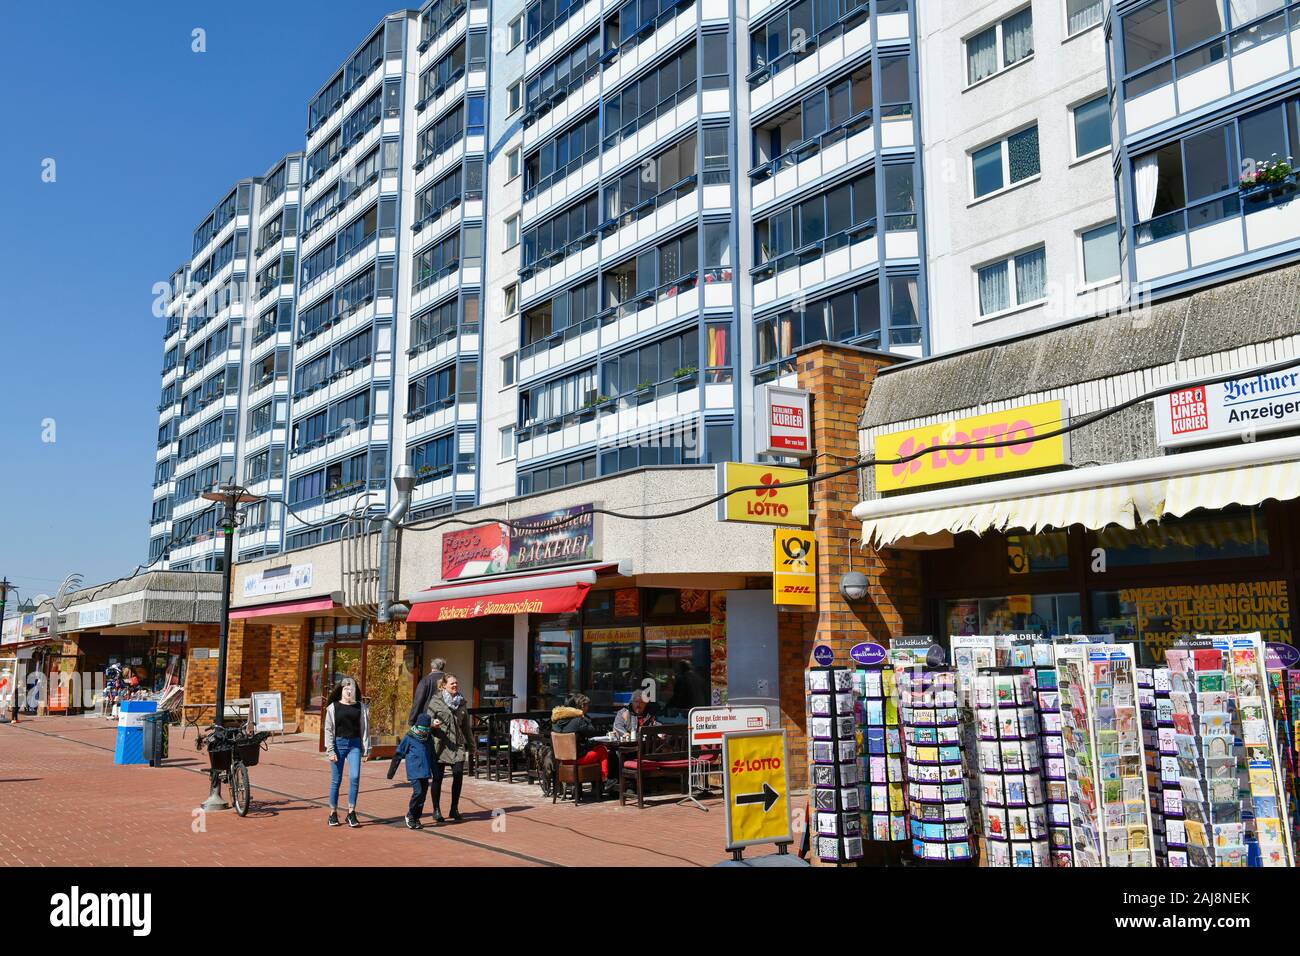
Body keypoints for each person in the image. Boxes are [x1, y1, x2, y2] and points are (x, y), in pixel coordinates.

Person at [324, 676, 371, 828]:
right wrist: (330, 750)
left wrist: (366, 748)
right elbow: (329, 730)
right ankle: (333, 813)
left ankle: (351, 812)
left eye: (352, 689)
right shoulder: (333, 707)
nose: (349, 691)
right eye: (346, 689)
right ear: (341, 690)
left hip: (354, 745)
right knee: (336, 780)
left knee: (355, 777)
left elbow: (365, 729)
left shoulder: (361, 707)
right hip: (338, 745)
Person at [427, 674, 472, 823]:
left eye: (456, 683)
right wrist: (432, 723)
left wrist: (472, 745)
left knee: (458, 773)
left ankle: (454, 808)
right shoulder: (436, 701)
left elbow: (466, 727)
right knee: (438, 778)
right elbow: (427, 720)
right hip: (440, 744)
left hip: (457, 743)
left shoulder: (462, 702)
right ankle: (436, 810)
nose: (455, 685)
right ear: (444, 685)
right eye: (452, 683)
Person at [551, 693, 610, 793]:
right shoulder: (578, 720)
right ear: (579, 707)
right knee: (602, 750)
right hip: (577, 759)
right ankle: (604, 780)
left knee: (595, 750)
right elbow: (591, 731)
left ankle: (595, 785)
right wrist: (584, 717)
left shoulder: (556, 721)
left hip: (562, 760)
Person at [388, 713, 436, 829]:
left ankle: (416, 817)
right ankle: (410, 815)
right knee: (418, 792)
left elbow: (432, 755)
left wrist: (436, 772)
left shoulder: (429, 738)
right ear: (417, 727)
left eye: (426, 730)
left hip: (425, 771)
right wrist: (391, 772)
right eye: (421, 730)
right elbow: (399, 754)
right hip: (414, 771)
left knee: (423, 796)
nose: (423, 732)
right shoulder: (409, 737)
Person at [409, 657, 447, 725]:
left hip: (428, 719)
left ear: (432, 667)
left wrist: (412, 720)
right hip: (445, 718)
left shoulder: (426, 680)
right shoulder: (448, 680)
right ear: (443, 667)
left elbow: (418, 700)